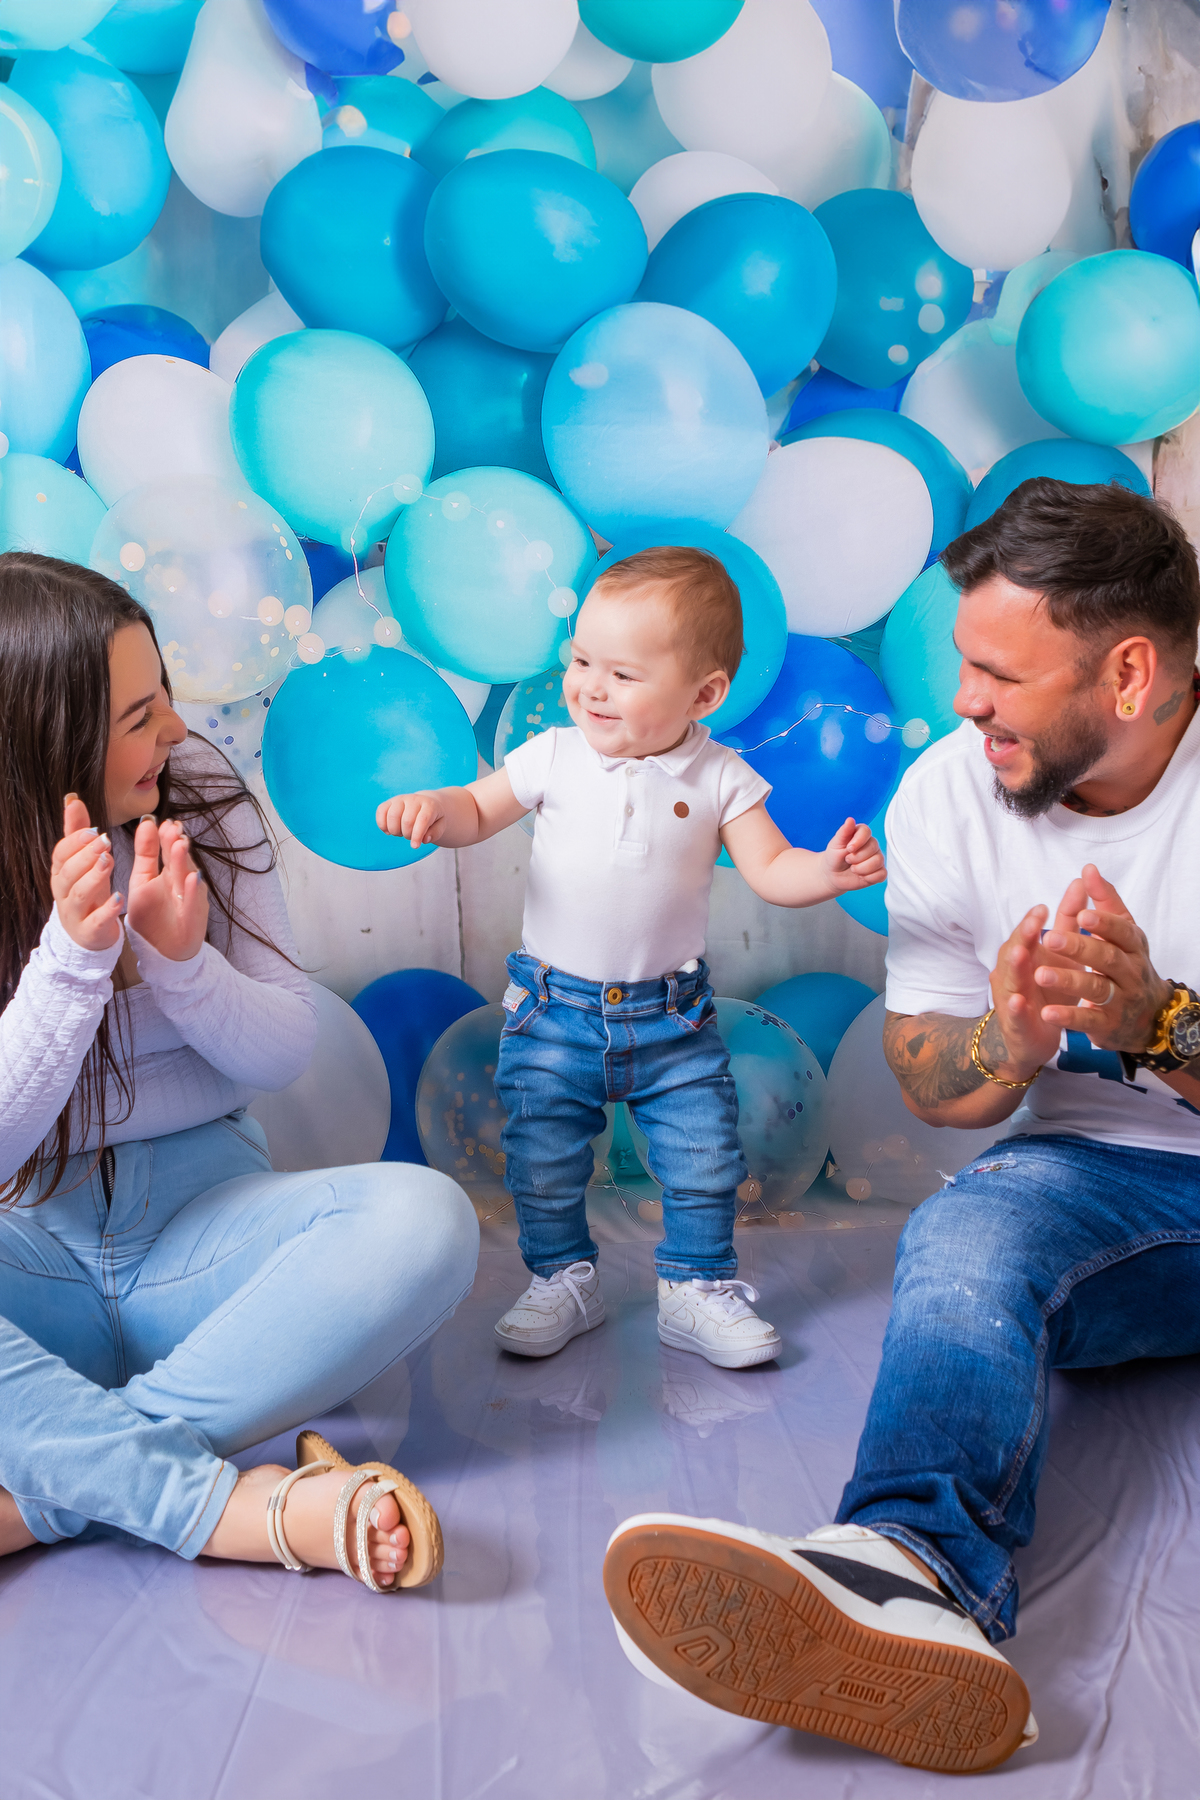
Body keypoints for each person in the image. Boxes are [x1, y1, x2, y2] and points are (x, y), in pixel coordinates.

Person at [601, 479, 1200, 1774]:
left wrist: (1161, 1025)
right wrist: (1010, 1044)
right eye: (965, 665)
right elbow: (937, 1082)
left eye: (1002, 675)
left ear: (1131, 674)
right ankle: (906, 1576)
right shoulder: (951, 792)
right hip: (1101, 1189)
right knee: (971, 1230)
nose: (967, 700)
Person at [0, 554, 479, 1595]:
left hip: (207, 1242)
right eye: (140, 716)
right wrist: (72, 963)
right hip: (31, 1261)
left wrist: (182, 965)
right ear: (46, 738)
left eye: (164, 694)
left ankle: (45, 1492)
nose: (176, 729)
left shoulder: (201, 793)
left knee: (428, 1221)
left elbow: (281, 1049)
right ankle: (237, 1510)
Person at [378, 547, 884, 1369]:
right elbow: (476, 807)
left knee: (704, 1156)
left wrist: (825, 873)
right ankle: (562, 1280)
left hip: (671, 1019)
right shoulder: (553, 754)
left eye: (623, 673)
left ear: (704, 694)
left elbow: (771, 868)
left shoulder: (720, 776)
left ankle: (696, 1288)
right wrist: (436, 807)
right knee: (542, 1157)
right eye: (581, 661)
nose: (591, 687)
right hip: (554, 1011)